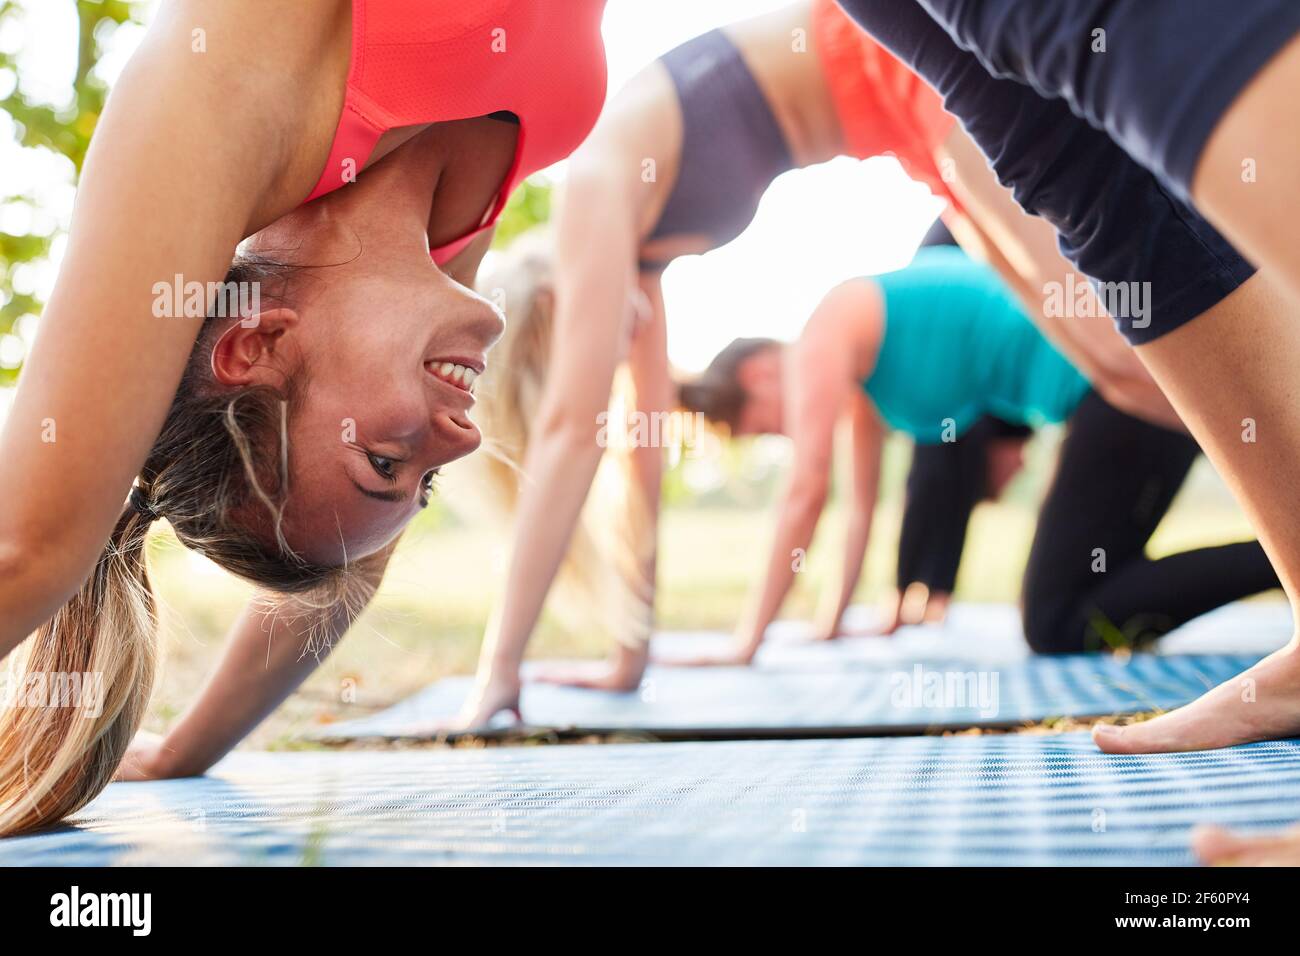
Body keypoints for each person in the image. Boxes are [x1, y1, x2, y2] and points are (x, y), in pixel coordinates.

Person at [455, 0, 1183, 728]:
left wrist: (497, 672)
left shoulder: (595, 186)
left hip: (898, 66)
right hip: (906, 131)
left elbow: (569, 430)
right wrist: (630, 653)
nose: (613, 356)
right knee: (1117, 364)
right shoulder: (641, 268)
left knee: (1117, 342)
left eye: (589, 346)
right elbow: (639, 461)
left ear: (558, 303)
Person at [0, 0, 610, 836]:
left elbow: (26, 551)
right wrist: (183, 754)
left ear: (256, 347)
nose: (462, 442)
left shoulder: (232, 89)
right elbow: (356, 571)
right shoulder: (434, 237)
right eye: (421, 485)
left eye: (386, 462)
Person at [831, 0, 1300, 860]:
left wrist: (1131, 380)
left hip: (1096, 382)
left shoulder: (843, 319)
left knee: (1104, 27)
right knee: (1050, 139)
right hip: (1096, 366)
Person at [673, 247, 1279, 663]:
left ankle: (1284, 559)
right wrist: (830, 623)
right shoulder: (857, 385)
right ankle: (1282, 557)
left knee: (1055, 622)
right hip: (1116, 398)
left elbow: (806, 490)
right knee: (1076, 604)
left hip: (1126, 387)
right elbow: (858, 506)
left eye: (763, 426)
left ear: (759, 375)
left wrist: (745, 642)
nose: (781, 438)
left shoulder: (827, 331)